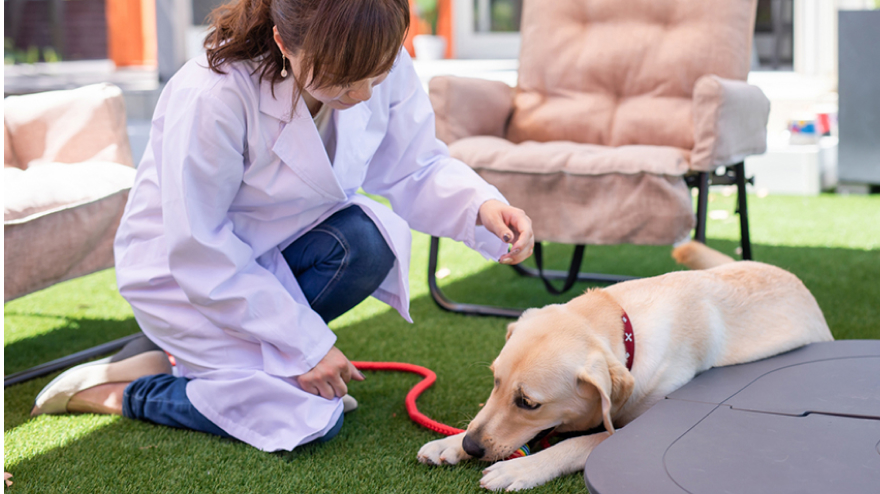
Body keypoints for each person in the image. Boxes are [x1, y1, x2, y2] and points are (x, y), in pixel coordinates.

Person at [31, 0, 534, 452]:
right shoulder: (212, 96)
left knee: (369, 240)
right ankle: (128, 391)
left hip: (277, 253)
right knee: (311, 414)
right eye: (341, 79)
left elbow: (414, 165)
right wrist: (304, 343)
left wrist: (480, 206)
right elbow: (200, 248)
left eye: (375, 78)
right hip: (185, 278)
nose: (361, 94)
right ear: (282, 41)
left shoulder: (378, 55)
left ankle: (189, 359)